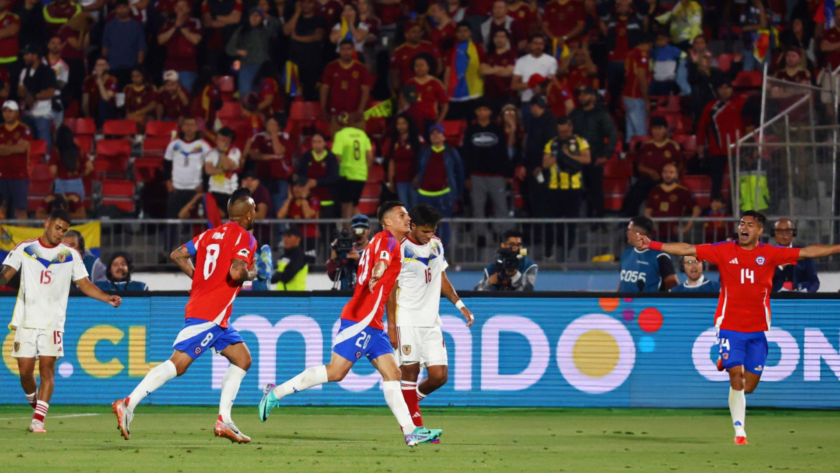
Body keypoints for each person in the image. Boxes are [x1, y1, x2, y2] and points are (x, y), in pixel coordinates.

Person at [636, 211, 840, 444]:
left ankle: (726, 360)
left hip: (758, 329)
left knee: (748, 386)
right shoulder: (723, 249)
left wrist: (836, 248)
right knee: (736, 378)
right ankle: (740, 432)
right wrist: (652, 244)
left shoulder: (771, 254)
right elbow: (686, 249)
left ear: (760, 231)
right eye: (742, 223)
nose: (744, 227)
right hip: (729, 325)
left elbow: (807, 252)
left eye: (750, 225)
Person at [259, 201, 443, 447]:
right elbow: (382, 262)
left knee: (393, 373)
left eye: (407, 214)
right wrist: (379, 271)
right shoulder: (387, 240)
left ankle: (411, 432)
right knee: (336, 372)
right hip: (361, 319)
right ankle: (275, 392)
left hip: (373, 322)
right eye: (401, 215)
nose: (407, 218)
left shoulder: (385, 242)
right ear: (388, 221)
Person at [113, 188, 258, 443]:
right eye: (254, 208)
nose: (256, 212)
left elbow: (178, 254)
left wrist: (199, 278)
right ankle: (128, 403)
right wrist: (252, 275)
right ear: (247, 215)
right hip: (209, 314)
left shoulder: (209, 234)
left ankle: (224, 420)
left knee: (242, 359)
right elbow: (237, 273)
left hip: (216, 317)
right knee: (177, 365)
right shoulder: (245, 237)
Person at [5, 209, 121, 433]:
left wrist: (107, 297)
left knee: (47, 370)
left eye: (64, 230)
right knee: (25, 372)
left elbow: (85, 284)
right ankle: (36, 404)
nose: (60, 234)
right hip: (26, 319)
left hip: (52, 322)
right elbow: (6, 275)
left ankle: (38, 420)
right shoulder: (25, 248)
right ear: (47, 224)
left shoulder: (70, 254)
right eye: (58, 228)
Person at [386, 204, 474, 428]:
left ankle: (408, 403)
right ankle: (415, 427)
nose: (429, 235)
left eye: (432, 230)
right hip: (407, 319)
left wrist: (460, 305)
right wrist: (392, 326)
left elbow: (441, 278)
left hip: (431, 321)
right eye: (425, 231)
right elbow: (391, 290)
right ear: (412, 226)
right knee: (410, 371)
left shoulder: (436, 245)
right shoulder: (400, 248)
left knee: (439, 376)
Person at [540, 116, 591, 256]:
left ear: (571, 127)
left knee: (571, 223)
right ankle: (549, 252)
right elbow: (545, 163)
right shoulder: (551, 143)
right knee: (550, 223)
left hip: (573, 189)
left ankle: (567, 251)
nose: (563, 133)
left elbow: (587, 159)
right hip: (553, 189)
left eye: (565, 130)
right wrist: (558, 157)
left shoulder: (580, 142)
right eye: (560, 130)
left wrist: (568, 155)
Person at [462, 99, 511, 239]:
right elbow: (466, 154)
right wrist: (467, 176)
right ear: (476, 112)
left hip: (496, 175)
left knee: (501, 206)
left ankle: (503, 233)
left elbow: (504, 152)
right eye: (479, 110)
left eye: (485, 109)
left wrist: (507, 173)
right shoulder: (470, 131)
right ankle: (480, 235)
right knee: (478, 208)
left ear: (490, 112)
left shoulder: (497, 130)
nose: (482, 112)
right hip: (477, 176)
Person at [568, 85, 618, 219]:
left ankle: (599, 221)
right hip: (577, 159)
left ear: (593, 96)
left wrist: (605, 155)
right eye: (580, 94)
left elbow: (613, 135)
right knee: (577, 191)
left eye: (585, 94)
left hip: (595, 158)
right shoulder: (575, 114)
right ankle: (579, 219)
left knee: (596, 192)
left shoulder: (601, 114)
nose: (582, 97)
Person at [414, 123, 465, 249]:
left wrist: (457, 193)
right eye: (432, 133)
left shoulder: (451, 152)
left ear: (444, 137)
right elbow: (418, 169)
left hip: (444, 195)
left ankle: (442, 254)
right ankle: (425, 254)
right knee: (424, 226)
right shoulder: (424, 151)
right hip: (424, 194)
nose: (435, 136)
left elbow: (460, 172)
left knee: (443, 224)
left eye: (438, 133)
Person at [697, 79, 747, 199]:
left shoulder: (741, 103)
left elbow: (749, 124)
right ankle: (714, 210)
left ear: (732, 89)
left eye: (727, 88)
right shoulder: (710, 107)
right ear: (717, 90)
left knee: (737, 182)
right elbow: (702, 128)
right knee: (716, 183)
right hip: (716, 151)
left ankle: (734, 210)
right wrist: (700, 145)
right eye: (721, 88)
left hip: (736, 150)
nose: (724, 91)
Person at [164, 117, 209, 249]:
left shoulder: (203, 145)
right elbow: (166, 164)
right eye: (186, 125)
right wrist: (168, 181)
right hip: (176, 188)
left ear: (196, 127)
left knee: (196, 223)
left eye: (192, 125)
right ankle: (166, 251)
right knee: (171, 221)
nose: (189, 127)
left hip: (195, 190)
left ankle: (198, 251)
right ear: (182, 127)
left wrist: (203, 187)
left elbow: (208, 167)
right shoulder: (174, 144)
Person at [622, 116, 680, 216]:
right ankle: (629, 223)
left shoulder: (673, 146)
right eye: (654, 128)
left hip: (666, 180)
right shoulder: (646, 146)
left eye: (660, 128)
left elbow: (679, 167)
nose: (657, 131)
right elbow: (640, 166)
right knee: (633, 195)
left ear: (665, 129)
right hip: (647, 180)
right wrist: (651, 172)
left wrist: (667, 175)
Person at [600, 0, 645, 112]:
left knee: (629, 91)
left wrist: (632, 1)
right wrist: (615, 1)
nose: (623, 7)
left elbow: (645, 6)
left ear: (630, 7)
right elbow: (601, 8)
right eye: (620, 5)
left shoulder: (636, 19)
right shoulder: (611, 20)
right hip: (613, 61)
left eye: (625, 5)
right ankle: (613, 113)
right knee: (613, 92)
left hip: (630, 63)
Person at [320, 39, 372, 133]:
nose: (346, 52)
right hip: (336, 114)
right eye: (343, 49)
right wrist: (323, 109)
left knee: (357, 144)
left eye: (348, 49)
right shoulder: (331, 67)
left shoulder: (361, 68)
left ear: (353, 50)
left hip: (355, 114)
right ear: (339, 51)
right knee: (337, 144)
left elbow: (365, 90)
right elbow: (324, 89)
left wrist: (360, 110)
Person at [227, 8, 278, 98]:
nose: (254, 18)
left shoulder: (265, 31)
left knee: (265, 96)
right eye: (252, 15)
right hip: (247, 67)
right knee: (246, 96)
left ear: (261, 18)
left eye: (257, 16)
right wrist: (238, 51)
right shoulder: (241, 31)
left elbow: (277, 25)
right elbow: (229, 48)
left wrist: (267, 16)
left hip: (263, 69)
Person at [619, 216, 677, 292]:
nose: (627, 233)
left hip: (648, 303)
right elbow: (623, 282)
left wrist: (656, 299)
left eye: (629, 230)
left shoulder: (660, 256)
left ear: (639, 233)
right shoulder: (626, 254)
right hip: (626, 303)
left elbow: (672, 282)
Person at [284, 0, 327, 102]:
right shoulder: (295, 19)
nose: (306, 5)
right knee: (291, 95)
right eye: (303, 2)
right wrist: (297, 12)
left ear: (314, 4)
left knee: (309, 94)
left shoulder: (319, 19)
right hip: (294, 63)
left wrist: (297, 38)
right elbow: (286, 31)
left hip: (311, 63)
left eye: (309, 2)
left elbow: (318, 36)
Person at [644, 162, 701, 239]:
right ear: (662, 174)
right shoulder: (655, 190)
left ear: (676, 175)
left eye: (671, 172)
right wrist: (651, 224)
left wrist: (685, 228)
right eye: (665, 172)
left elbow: (696, 210)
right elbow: (647, 211)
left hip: (674, 235)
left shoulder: (682, 191)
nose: (668, 175)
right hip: (656, 234)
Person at [333, 117, 373, 221]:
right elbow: (370, 156)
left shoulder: (340, 135)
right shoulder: (362, 135)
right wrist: (364, 169)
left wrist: (343, 167)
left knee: (346, 206)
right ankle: (364, 230)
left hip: (347, 174)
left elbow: (337, 156)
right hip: (361, 174)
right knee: (353, 205)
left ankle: (349, 232)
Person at [157, 0, 203, 92]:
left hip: (187, 68)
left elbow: (196, 40)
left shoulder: (194, 22)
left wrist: (181, 27)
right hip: (169, 66)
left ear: (189, 9)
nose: (180, 9)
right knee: (167, 96)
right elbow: (160, 40)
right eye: (178, 6)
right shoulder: (168, 22)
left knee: (186, 96)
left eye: (183, 6)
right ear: (174, 8)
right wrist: (175, 27)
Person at [444, 21, 485, 120]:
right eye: (460, 31)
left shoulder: (478, 48)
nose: (462, 33)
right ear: (456, 33)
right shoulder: (451, 50)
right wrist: (445, 90)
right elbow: (447, 71)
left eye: (465, 31)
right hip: (455, 94)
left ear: (470, 32)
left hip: (474, 93)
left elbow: (483, 68)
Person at [18, 45, 56, 150]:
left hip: (42, 114)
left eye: (26, 54)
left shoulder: (47, 71)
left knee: (44, 144)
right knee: (27, 143)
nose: (24, 57)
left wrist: (34, 96)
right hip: (27, 114)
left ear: (35, 56)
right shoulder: (24, 71)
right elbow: (20, 89)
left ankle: (46, 163)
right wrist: (24, 94)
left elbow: (50, 92)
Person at [101, 0, 146, 87]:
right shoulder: (109, 26)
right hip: (113, 67)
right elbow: (105, 46)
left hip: (131, 69)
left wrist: (138, 67)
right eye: (119, 7)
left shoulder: (136, 26)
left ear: (129, 8)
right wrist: (104, 65)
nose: (122, 10)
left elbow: (141, 47)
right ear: (115, 10)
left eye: (124, 7)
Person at [511, 34, 557, 118]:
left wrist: (541, 87)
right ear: (530, 45)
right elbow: (514, 85)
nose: (538, 46)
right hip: (527, 101)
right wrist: (530, 84)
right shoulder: (521, 61)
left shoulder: (551, 60)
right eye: (535, 43)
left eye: (541, 44)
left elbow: (553, 83)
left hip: (544, 102)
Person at [0, 100, 32, 220]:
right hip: (1, 176)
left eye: (10, 111)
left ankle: (23, 237)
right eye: (5, 111)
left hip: (19, 176)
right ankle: (2, 238)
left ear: (17, 113)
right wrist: (14, 148)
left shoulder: (24, 129)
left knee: (21, 210)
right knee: (1, 209)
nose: (7, 114)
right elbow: (17, 148)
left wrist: (4, 148)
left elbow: (22, 148)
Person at [296, 131, 340, 220]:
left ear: (324, 143)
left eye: (319, 141)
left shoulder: (331, 158)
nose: (316, 144)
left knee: (327, 228)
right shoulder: (307, 156)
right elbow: (299, 174)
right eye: (314, 142)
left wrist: (317, 182)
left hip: (327, 200)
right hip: (310, 199)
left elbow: (334, 177)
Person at [401, 53, 448, 133]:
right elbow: (402, 101)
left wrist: (438, 123)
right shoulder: (409, 83)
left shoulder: (435, 83)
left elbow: (445, 105)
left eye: (422, 65)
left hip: (430, 121)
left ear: (428, 67)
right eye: (416, 65)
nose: (419, 68)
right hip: (413, 121)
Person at [385, 113, 423, 210]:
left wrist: (419, 176)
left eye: (403, 123)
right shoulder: (394, 141)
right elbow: (392, 161)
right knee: (405, 208)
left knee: (415, 208)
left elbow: (423, 159)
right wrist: (390, 180)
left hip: (414, 179)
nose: (401, 126)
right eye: (398, 124)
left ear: (409, 124)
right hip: (400, 180)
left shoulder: (417, 139)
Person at [771, 218, 819, 293]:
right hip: (774, 299)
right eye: (780, 231)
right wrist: (780, 267)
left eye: (788, 231)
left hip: (800, 299)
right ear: (774, 234)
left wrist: (806, 292)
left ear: (794, 233)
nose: (784, 235)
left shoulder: (804, 253)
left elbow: (814, 282)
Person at [622, 34, 654, 144]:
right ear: (649, 44)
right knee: (641, 132)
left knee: (630, 133)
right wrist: (647, 100)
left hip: (627, 95)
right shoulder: (641, 54)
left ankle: (628, 157)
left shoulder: (630, 53)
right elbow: (641, 78)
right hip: (636, 96)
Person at [203, 127, 241, 218]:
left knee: (228, 221)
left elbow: (226, 165)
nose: (220, 142)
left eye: (223, 140)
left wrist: (221, 152)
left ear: (229, 140)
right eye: (218, 139)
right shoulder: (211, 152)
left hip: (229, 192)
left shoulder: (234, 151)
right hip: (213, 191)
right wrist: (225, 170)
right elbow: (208, 170)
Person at [276, 176, 320, 253]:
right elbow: (280, 215)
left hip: (309, 237)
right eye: (295, 186)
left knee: (309, 263)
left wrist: (303, 198)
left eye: (300, 186)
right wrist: (289, 199)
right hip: (294, 239)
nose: (297, 189)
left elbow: (307, 215)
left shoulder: (313, 199)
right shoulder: (291, 201)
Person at [390, 21, 440, 89]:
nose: (417, 34)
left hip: (428, 88)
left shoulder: (429, 46)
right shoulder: (399, 51)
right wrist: (397, 90)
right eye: (414, 32)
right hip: (408, 89)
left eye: (419, 32)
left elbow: (439, 64)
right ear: (406, 34)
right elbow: (395, 74)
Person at [327, 213, 370, 290]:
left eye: (362, 230)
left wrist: (359, 259)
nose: (359, 234)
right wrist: (333, 260)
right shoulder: (345, 248)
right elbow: (333, 277)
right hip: (345, 295)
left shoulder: (375, 249)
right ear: (351, 231)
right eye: (356, 230)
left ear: (369, 231)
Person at [481, 29, 517, 112]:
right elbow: (483, 70)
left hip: (507, 96)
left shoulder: (512, 54)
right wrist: (500, 69)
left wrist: (492, 69)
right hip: (490, 96)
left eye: (502, 36)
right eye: (496, 36)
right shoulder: (487, 56)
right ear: (493, 39)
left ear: (507, 39)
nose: (499, 39)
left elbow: (508, 72)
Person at [82, 58, 118, 126]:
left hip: (108, 115)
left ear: (107, 67)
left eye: (102, 65)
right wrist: (88, 118)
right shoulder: (89, 80)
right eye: (97, 65)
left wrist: (99, 79)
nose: (99, 67)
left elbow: (106, 98)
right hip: (93, 114)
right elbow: (85, 103)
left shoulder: (112, 80)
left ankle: (102, 128)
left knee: (103, 102)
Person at [271, 225, 308, 291]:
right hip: (281, 297)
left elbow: (287, 276)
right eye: (284, 236)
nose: (285, 239)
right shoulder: (283, 256)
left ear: (298, 238)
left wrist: (277, 274)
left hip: (295, 298)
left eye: (289, 236)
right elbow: (273, 279)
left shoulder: (300, 256)